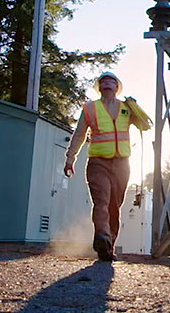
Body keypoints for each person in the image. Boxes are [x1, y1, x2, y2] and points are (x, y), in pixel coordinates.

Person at [64, 71, 136, 261]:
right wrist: (70, 158)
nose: (106, 83)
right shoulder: (90, 109)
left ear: (116, 87)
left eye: (110, 81)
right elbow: (79, 135)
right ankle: (102, 236)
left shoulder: (127, 108)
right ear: (99, 87)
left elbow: (145, 125)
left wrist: (137, 109)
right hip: (98, 163)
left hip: (122, 164)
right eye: (103, 81)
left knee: (114, 206)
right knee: (101, 201)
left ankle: (108, 247)